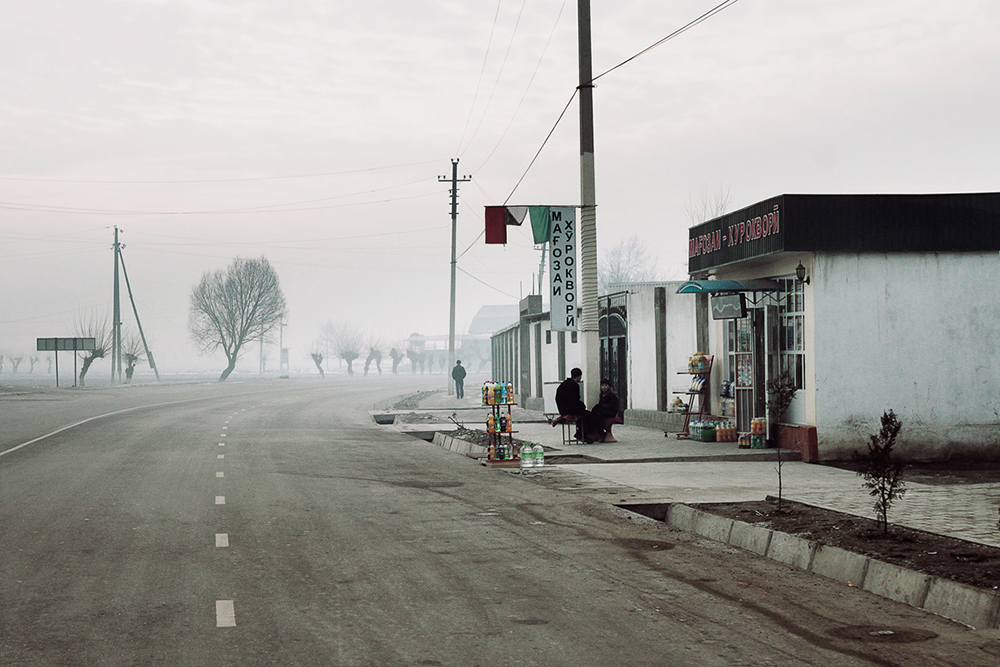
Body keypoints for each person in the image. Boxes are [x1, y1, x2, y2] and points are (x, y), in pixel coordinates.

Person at [591, 378, 621, 443]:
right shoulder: (601, 395)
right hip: (603, 411)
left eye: (606, 385)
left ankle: (602, 433)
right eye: (602, 385)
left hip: (610, 412)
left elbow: (613, 407)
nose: (604, 387)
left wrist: (602, 407)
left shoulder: (612, 395)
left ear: (609, 386)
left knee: (597, 411)